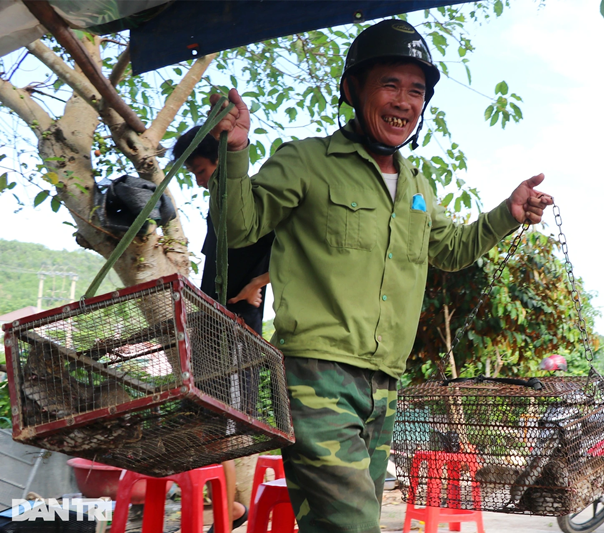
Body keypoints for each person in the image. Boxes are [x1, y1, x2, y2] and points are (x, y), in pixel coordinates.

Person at [207, 19, 553, 533]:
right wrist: (234, 153)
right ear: (352, 89)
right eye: (390, 84)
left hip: (385, 383)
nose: (404, 102)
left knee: (334, 525)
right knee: (355, 524)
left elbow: (450, 250)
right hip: (316, 379)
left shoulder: (418, 183)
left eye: (416, 91)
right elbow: (238, 228)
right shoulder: (307, 161)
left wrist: (507, 212)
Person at [172, 127, 276, 532]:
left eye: (200, 170)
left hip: (236, 330)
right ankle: (228, 507)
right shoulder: (220, 206)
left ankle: (232, 508)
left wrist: (258, 283)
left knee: (221, 424)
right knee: (209, 424)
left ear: (222, 163)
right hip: (211, 325)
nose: (198, 181)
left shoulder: (248, 200)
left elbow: (292, 246)